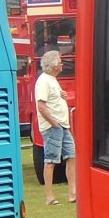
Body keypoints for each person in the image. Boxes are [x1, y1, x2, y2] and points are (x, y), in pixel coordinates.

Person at [35, 49, 76, 204]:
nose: (62, 63)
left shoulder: (53, 80)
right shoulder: (44, 80)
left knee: (71, 157)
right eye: (60, 61)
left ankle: (72, 193)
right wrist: (54, 123)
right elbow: (41, 105)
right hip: (53, 127)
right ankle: (49, 197)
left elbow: (53, 99)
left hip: (63, 126)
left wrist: (62, 95)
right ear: (53, 65)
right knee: (51, 160)